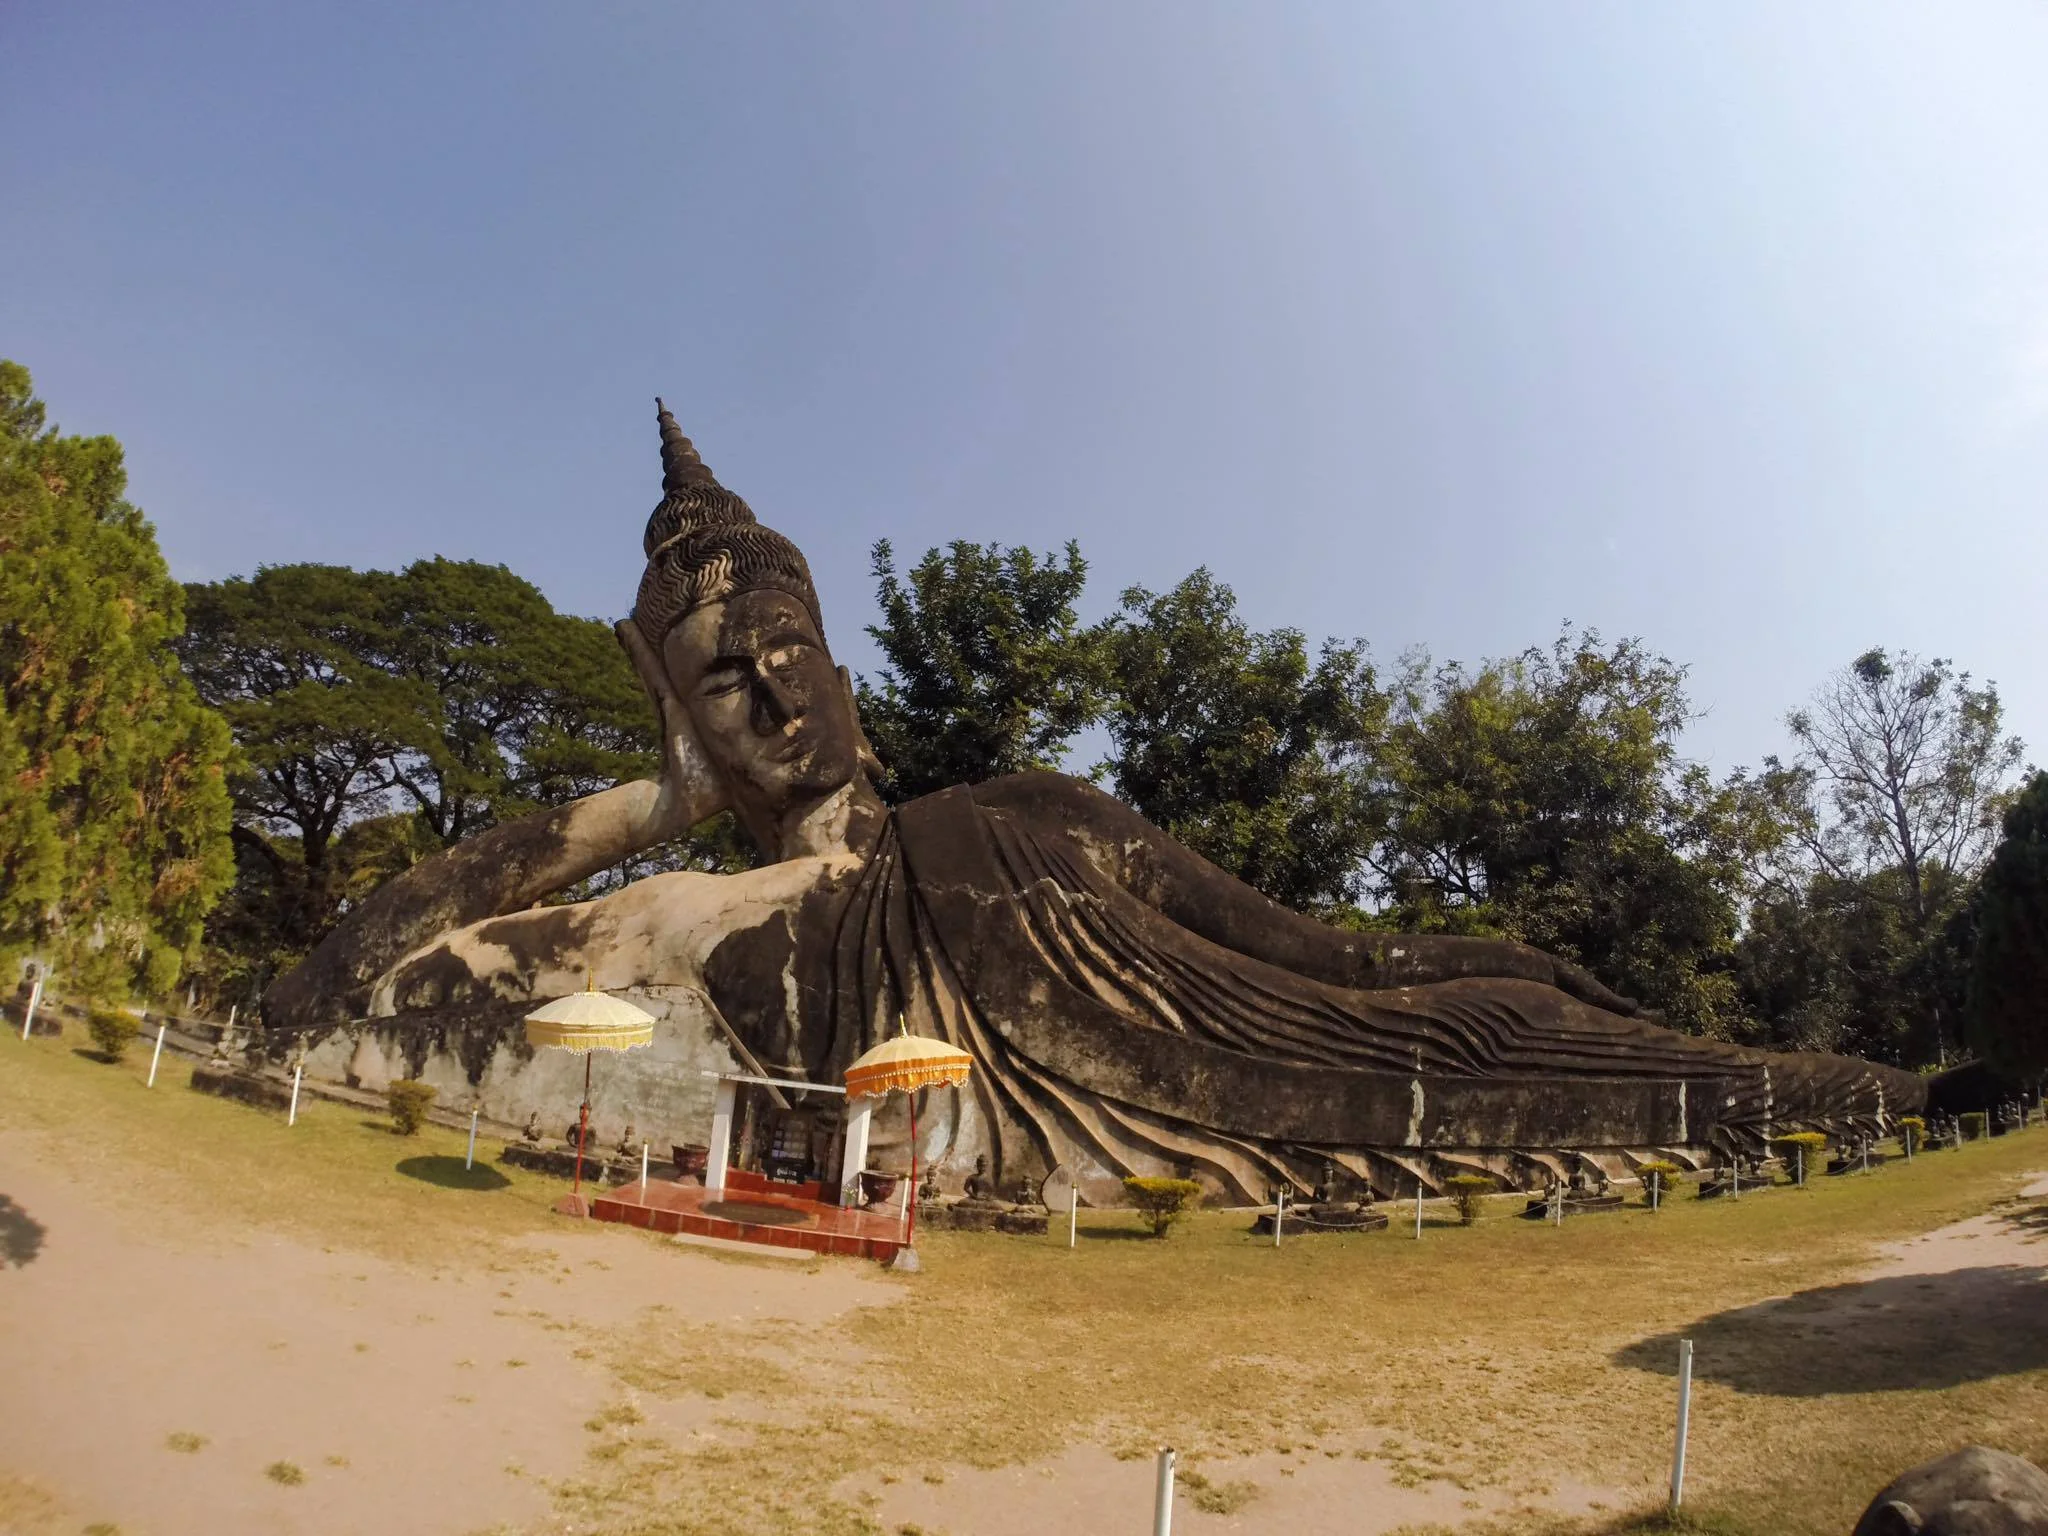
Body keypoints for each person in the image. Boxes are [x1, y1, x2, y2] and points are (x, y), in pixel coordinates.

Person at [265, 404, 1926, 1202]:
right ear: (678, 709)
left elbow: (1333, 960)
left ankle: (1815, 1081)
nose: (777, 699)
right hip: (1184, 1140)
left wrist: (1506, 968)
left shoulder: (1024, 813)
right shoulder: (678, 912)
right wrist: (660, 796)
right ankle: (1800, 1093)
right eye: (721, 686)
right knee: (1452, 1081)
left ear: (835, 661)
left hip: (1315, 1039)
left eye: (788, 654)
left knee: (1466, 1010)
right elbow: (331, 999)